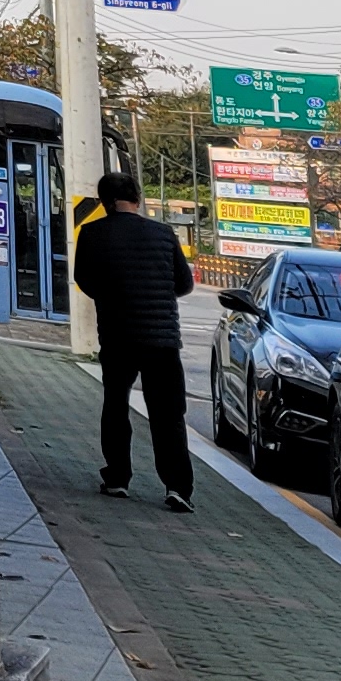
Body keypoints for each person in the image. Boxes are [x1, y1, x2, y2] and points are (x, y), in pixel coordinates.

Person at [73, 166, 196, 510]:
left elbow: (83, 278)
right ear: (137, 200)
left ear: (105, 202)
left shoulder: (92, 233)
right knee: (168, 414)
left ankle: (117, 478)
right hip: (162, 340)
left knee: (115, 405)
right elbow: (184, 283)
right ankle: (177, 487)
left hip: (117, 335)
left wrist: (111, 297)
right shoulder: (163, 234)